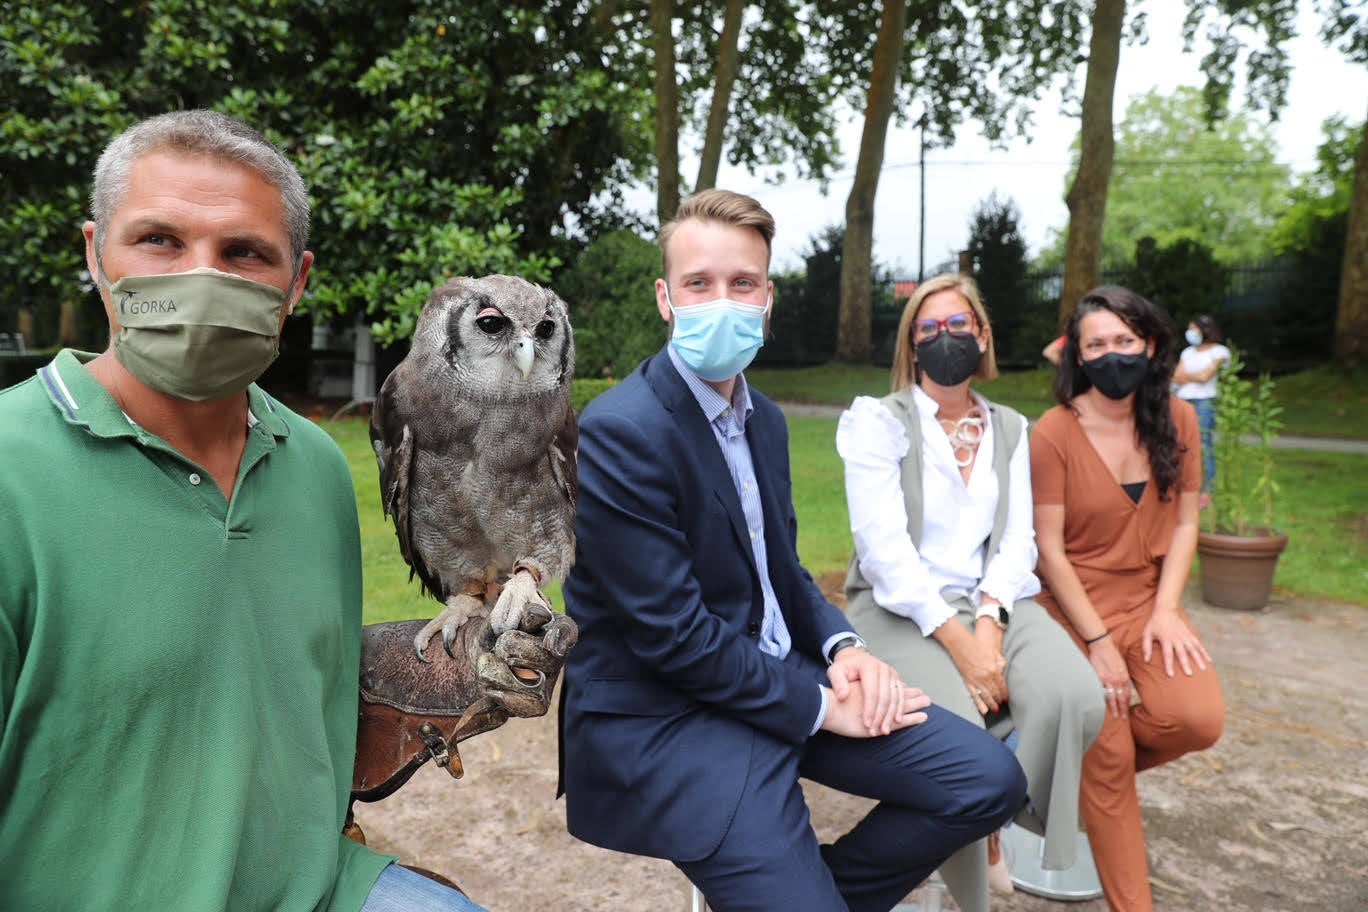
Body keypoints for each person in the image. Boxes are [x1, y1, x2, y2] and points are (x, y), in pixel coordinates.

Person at [0, 110, 485, 912]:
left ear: (296, 281)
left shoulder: (319, 471)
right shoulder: (13, 471)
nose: (202, 277)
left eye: (244, 253)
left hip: (314, 889)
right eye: (158, 240)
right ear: (95, 253)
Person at [558, 190, 1027, 912]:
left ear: (768, 298)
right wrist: (817, 705)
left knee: (988, 780)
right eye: (699, 284)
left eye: (743, 284)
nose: (723, 300)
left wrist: (845, 649)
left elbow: (780, 572)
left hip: (779, 675)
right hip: (673, 713)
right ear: (666, 298)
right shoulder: (623, 430)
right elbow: (672, 637)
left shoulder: (764, 422)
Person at [838, 273, 1104, 912]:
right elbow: (884, 553)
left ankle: (993, 817)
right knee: (956, 733)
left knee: (1076, 696)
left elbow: (1017, 539)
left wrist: (990, 622)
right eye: (927, 329)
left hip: (992, 598)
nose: (944, 338)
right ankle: (974, 848)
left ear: (983, 338)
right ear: (911, 344)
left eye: (959, 326)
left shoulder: (1013, 426)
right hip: (900, 604)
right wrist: (959, 643)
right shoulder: (878, 421)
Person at [1029, 286, 1225, 912]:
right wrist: (1094, 643)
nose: (1112, 354)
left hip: (1146, 601)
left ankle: (1065, 784)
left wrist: (1168, 609)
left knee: (1197, 719)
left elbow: (1188, 521)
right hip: (1068, 612)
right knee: (1108, 755)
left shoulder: (1179, 418)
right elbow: (1049, 551)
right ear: (1078, 358)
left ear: (1151, 344)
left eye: (1124, 341)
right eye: (1097, 344)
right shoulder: (1054, 432)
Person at [1172, 314, 1230, 509]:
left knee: (1204, 444)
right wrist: (1193, 376)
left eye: (1193, 328)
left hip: (1205, 401)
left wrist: (1189, 376)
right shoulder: (1188, 352)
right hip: (1183, 399)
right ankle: (1182, 486)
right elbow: (1176, 376)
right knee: (1180, 443)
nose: (1190, 333)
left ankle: (1207, 491)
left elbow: (1207, 376)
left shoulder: (1220, 352)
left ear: (1204, 330)